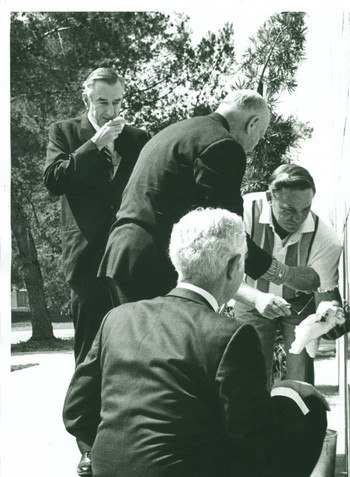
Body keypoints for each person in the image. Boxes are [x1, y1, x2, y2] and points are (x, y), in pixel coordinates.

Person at [63, 207, 329, 477]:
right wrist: (288, 392)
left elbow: (76, 411)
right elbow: (253, 438)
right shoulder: (231, 335)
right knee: (308, 408)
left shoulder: (117, 318)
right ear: (233, 266)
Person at [98, 90, 317, 320]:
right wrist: (286, 275)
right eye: (260, 135)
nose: (254, 146)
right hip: (154, 264)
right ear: (252, 123)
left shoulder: (176, 131)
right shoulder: (223, 145)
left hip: (122, 254)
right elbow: (227, 232)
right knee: (162, 350)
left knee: (134, 348)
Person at [44, 67, 150, 476]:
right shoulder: (65, 132)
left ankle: (130, 436)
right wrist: (94, 143)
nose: (112, 111)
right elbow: (54, 180)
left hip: (129, 260)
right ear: (87, 100)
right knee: (90, 353)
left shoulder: (138, 139)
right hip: (86, 261)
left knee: (134, 352)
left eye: (118, 102)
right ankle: (88, 444)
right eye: (103, 102)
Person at [234, 164, 344, 389]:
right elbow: (224, 275)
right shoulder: (243, 212)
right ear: (269, 198)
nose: (298, 218)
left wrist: (325, 315)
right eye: (288, 209)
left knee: (300, 376)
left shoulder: (326, 239)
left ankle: (298, 420)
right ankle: (256, 422)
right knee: (251, 372)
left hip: (300, 305)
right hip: (250, 297)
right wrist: (256, 298)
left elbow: (325, 294)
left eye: (306, 209)